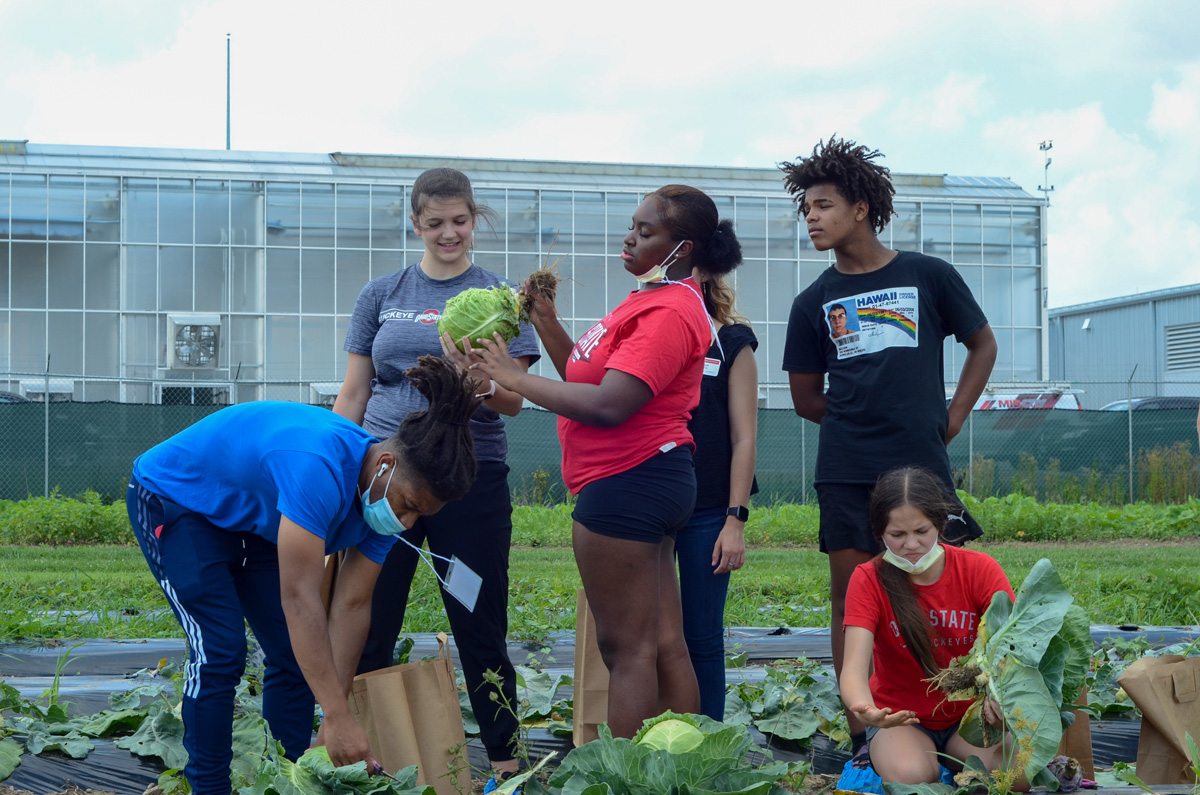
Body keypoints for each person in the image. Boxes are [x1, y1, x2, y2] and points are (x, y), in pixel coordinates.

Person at [126, 356, 479, 795]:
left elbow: (351, 606)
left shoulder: (385, 502)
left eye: (420, 514)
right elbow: (300, 597)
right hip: (177, 499)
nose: (407, 522)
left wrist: (337, 714)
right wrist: (336, 715)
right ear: (385, 464)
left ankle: (287, 780)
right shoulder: (318, 468)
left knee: (293, 657)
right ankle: (209, 788)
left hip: (251, 520)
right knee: (220, 650)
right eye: (408, 505)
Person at [468, 184, 743, 738]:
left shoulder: (669, 310)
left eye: (646, 232)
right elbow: (586, 374)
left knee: (627, 649)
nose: (629, 238)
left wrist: (514, 377)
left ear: (682, 248)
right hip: (648, 479)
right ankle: (678, 766)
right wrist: (545, 319)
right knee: (663, 642)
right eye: (632, 226)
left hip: (627, 483)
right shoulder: (646, 301)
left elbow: (611, 405)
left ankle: (631, 775)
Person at [779, 136, 998, 758]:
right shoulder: (811, 302)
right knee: (853, 603)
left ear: (862, 207)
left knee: (941, 594)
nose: (812, 218)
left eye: (822, 205)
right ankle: (864, 730)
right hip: (846, 471)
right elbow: (805, 399)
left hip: (921, 467)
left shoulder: (928, 275)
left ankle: (953, 716)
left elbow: (983, 346)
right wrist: (859, 425)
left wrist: (949, 417)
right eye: (806, 209)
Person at [333, 167, 539, 788]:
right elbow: (355, 389)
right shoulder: (382, 294)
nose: (448, 233)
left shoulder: (502, 296)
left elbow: (513, 400)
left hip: (468, 483)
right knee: (369, 610)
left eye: (459, 221)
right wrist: (340, 462)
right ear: (416, 224)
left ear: (474, 219)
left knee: (477, 616)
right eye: (434, 223)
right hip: (387, 481)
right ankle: (363, 746)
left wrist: (474, 375)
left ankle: (505, 758)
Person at [840, 466, 1018, 785]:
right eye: (897, 535)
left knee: (1018, 775)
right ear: (880, 533)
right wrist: (863, 707)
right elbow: (853, 667)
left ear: (940, 523)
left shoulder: (979, 570)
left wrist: (1000, 696)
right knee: (913, 777)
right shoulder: (867, 579)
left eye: (921, 531)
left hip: (971, 715)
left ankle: (962, 767)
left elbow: (1014, 647)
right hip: (900, 719)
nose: (911, 545)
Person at [675, 266, 758, 721]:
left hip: (708, 513)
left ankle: (707, 737)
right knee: (649, 637)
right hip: (652, 509)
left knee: (702, 636)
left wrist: (734, 520)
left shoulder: (731, 342)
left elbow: (744, 438)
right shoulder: (646, 333)